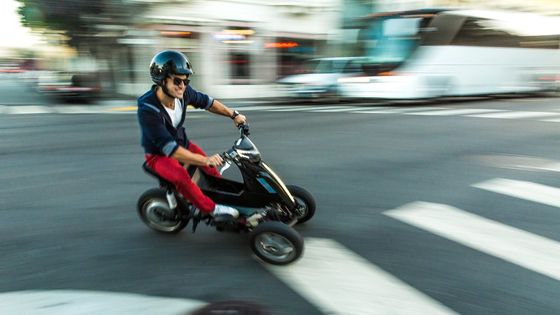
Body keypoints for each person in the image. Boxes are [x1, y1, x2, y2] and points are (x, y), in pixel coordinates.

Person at [137, 50, 246, 219]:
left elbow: (208, 103)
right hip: (158, 155)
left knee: (211, 171)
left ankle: (226, 198)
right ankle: (212, 210)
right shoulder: (148, 110)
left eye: (186, 80)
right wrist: (205, 159)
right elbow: (169, 149)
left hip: (183, 145)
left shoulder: (183, 93)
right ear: (161, 79)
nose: (183, 85)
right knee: (181, 178)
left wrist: (233, 115)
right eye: (177, 80)